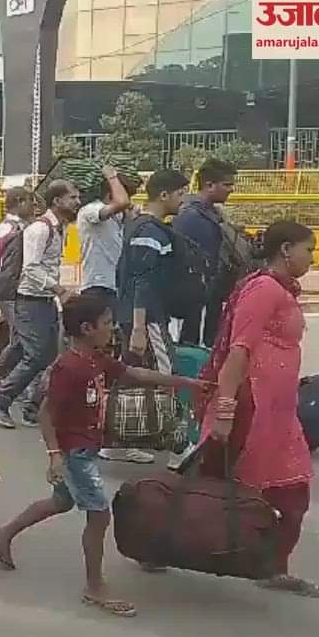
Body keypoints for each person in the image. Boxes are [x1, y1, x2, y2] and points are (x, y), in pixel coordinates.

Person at [0, 294, 207, 618]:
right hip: (76, 453)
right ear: (87, 328)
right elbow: (46, 414)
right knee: (98, 514)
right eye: (107, 323)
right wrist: (55, 456)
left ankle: (2, 535)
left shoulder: (95, 359)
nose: (112, 328)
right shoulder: (68, 367)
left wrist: (186, 383)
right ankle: (94, 586)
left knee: (61, 501)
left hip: (84, 448)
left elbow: (135, 374)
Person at [195, 221, 319, 598]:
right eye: (309, 249)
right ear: (286, 249)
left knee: (292, 496)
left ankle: (272, 569)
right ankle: (160, 541)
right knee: (215, 490)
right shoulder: (263, 289)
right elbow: (238, 351)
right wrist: (224, 412)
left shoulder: (281, 289)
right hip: (252, 411)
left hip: (279, 415)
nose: (312, 258)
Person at [0, 180, 81, 429]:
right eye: (72, 198)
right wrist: (59, 289)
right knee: (38, 355)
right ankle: (1, 398)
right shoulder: (40, 229)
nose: (77, 202)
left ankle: (32, 407)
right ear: (57, 201)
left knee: (46, 355)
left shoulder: (60, 228)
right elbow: (31, 268)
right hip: (31, 300)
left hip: (44, 299)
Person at [112, 169, 192, 467]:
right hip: (148, 318)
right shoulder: (150, 232)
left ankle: (117, 440)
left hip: (138, 315)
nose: (184, 200)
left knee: (131, 377)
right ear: (164, 195)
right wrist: (139, 326)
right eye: (181, 193)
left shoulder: (140, 226)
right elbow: (141, 281)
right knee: (167, 375)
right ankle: (179, 447)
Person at [75, 165, 153, 465]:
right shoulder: (90, 212)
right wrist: (111, 174)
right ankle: (104, 438)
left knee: (109, 367)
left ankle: (106, 436)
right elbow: (121, 202)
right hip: (98, 290)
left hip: (113, 291)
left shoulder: (116, 219)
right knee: (103, 366)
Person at [173, 158, 237, 347]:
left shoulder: (212, 214)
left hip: (210, 297)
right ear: (209, 185)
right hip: (195, 299)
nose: (231, 189)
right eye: (227, 185)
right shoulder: (191, 216)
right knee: (193, 348)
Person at [0, 186, 34, 357]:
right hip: (10, 289)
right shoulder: (12, 230)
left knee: (12, 330)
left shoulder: (5, 228)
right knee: (20, 336)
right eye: (31, 202)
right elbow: (6, 264)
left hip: (5, 287)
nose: (33, 207)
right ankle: (0, 369)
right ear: (20, 202)